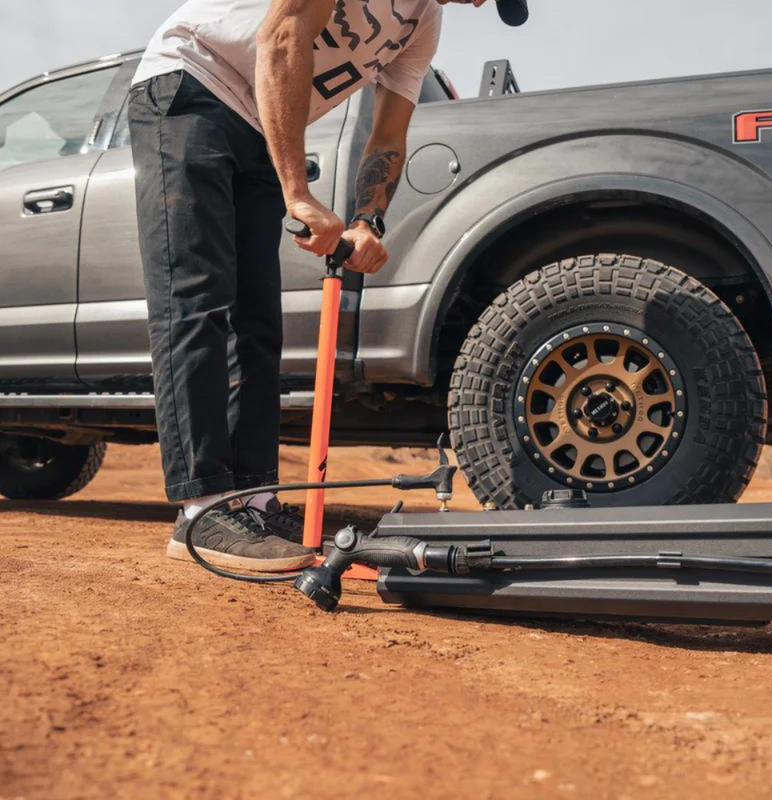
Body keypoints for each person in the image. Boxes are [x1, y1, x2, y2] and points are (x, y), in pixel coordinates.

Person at [129, 0, 529, 573]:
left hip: (260, 120)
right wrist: (297, 193)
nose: (481, 3)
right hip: (193, 82)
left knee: (257, 324)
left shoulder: (422, 23)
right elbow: (281, 38)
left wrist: (368, 220)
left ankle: (254, 501)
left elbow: (388, 135)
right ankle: (203, 508)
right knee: (197, 297)